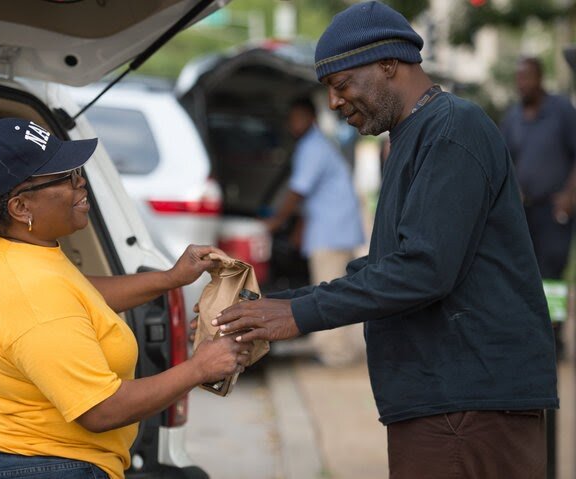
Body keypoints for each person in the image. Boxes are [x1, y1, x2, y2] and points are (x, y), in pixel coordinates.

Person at [211, 2, 559, 478]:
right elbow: (384, 268)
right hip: (444, 401)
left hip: (469, 402)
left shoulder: (452, 129)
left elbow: (424, 269)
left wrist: (297, 314)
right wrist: (271, 304)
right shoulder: (412, 135)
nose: (334, 102)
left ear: (388, 65)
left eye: (341, 84)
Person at [0, 118, 252, 479]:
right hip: (35, 466)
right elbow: (101, 410)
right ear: (20, 208)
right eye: (65, 177)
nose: (81, 182)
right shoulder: (34, 293)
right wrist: (199, 368)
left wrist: (171, 279)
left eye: (77, 171)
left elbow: (76, 294)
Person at [266, 97, 364, 366]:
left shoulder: (312, 147)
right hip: (332, 227)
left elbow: (298, 191)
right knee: (331, 288)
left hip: (332, 230)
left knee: (330, 290)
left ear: (310, 118)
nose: (292, 123)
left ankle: (336, 354)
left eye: (297, 117)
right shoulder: (315, 145)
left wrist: (274, 222)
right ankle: (332, 347)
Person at [500, 56, 576, 353]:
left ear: (540, 78)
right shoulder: (513, 118)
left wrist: (570, 194)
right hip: (524, 209)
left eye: (528, 77)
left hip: (556, 208)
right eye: (519, 78)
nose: (523, 83)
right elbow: (504, 161)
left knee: (553, 272)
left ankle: (555, 337)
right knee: (524, 271)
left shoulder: (561, 111)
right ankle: (533, 334)